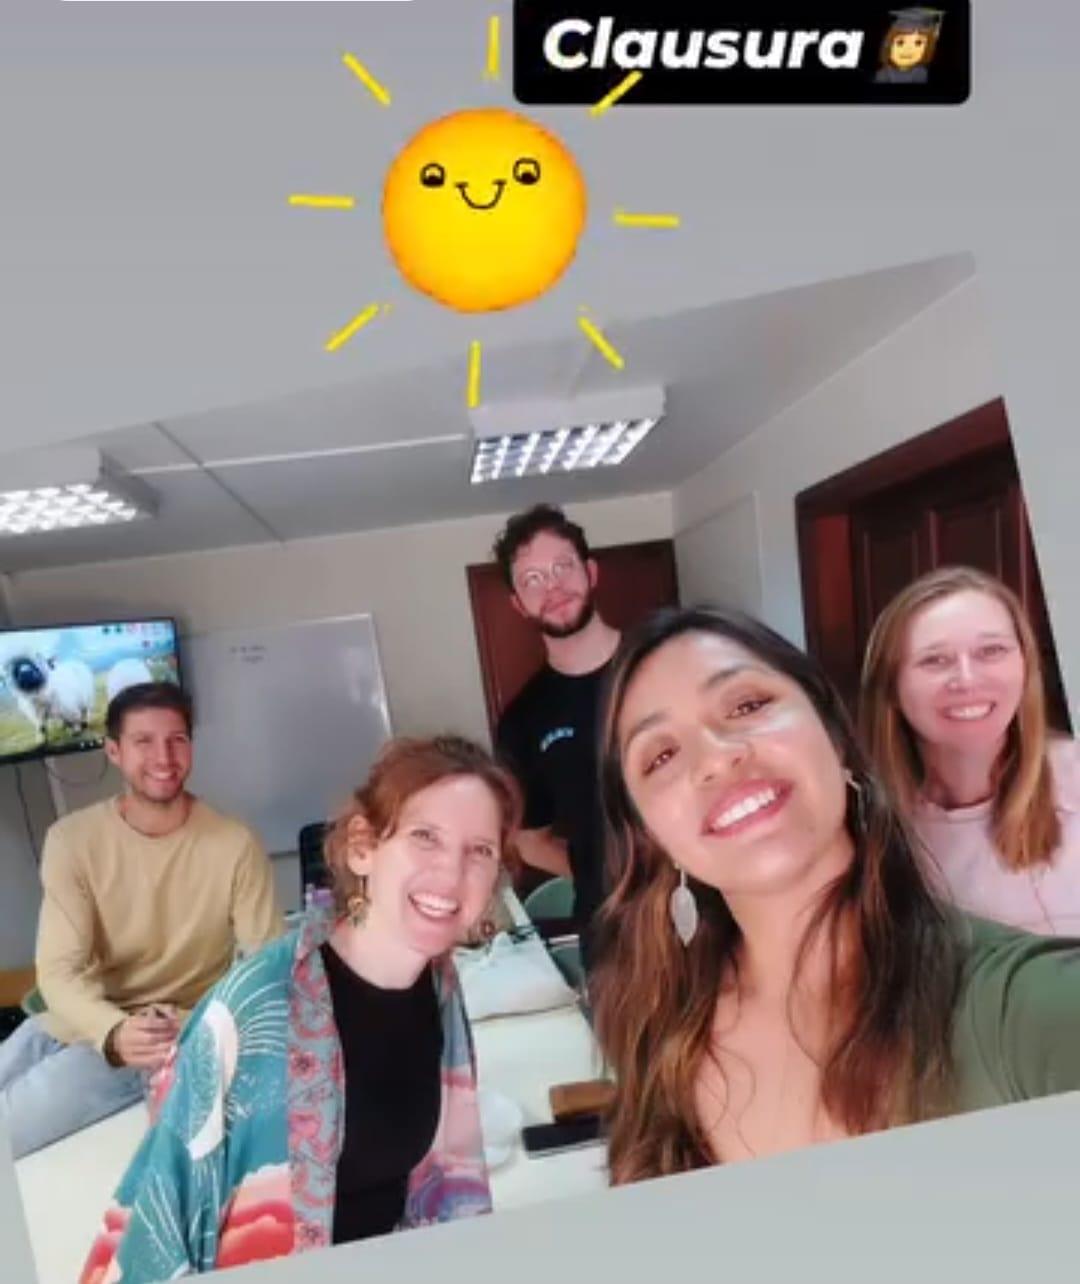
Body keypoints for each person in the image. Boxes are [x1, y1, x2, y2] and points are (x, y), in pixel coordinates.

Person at [589, 605, 1080, 1184]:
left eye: (747, 706)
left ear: (836, 737)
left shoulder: (1014, 1004)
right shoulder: (657, 1026)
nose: (717, 757)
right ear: (652, 837)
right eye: (661, 756)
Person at [78, 735, 521, 1283]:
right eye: (424, 837)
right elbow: (161, 1224)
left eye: (480, 851)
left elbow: (439, 1192)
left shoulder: (440, 988)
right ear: (362, 847)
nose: (451, 874)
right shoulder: (257, 1009)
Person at [0, 681, 282, 1160]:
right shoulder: (71, 840)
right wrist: (111, 1030)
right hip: (74, 1018)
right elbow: (59, 972)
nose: (164, 757)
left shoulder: (235, 844)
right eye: (144, 741)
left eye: (177, 740)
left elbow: (266, 972)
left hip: (161, 1036)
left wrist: (191, 1032)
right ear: (114, 751)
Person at [860, 565, 1080, 935]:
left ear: (1026, 665)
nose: (967, 680)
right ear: (891, 686)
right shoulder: (867, 830)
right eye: (935, 660)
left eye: (991, 651)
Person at [492, 504, 620, 964]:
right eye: (532, 580)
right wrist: (604, 877)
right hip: (611, 932)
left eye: (563, 567)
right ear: (518, 604)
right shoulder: (523, 720)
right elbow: (529, 840)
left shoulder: (664, 663)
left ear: (591, 572)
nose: (553, 587)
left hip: (713, 912)